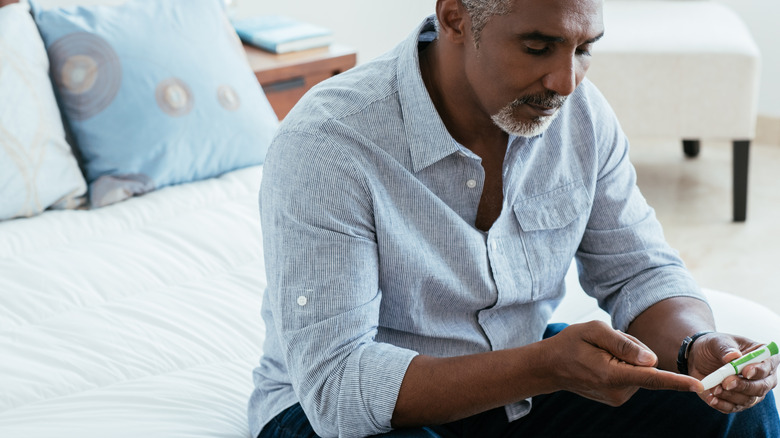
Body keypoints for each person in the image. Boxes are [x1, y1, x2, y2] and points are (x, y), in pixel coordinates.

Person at [248, 0, 780, 436]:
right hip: (342, 414)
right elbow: (337, 388)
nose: (567, 81)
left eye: (585, 48)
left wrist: (694, 349)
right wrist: (544, 366)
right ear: (455, 17)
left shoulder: (582, 116)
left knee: (736, 415)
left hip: (524, 384)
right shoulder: (327, 143)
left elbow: (640, 271)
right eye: (537, 46)